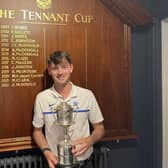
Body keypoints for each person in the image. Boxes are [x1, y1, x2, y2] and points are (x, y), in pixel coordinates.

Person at [32, 51, 105, 168]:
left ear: (71, 68)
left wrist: (89, 141)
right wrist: (46, 151)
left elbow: (100, 128)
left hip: (85, 163)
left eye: (64, 67)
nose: (60, 72)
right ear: (49, 71)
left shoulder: (87, 95)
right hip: (56, 163)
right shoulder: (42, 98)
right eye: (55, 68)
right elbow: (37, 131)